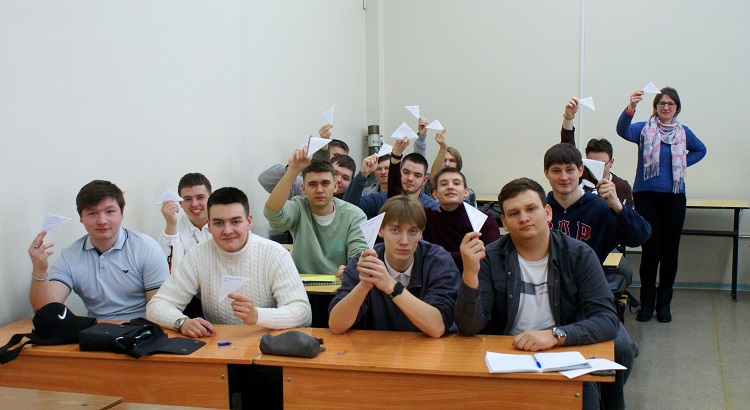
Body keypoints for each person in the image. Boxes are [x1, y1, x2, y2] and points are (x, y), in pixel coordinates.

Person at [455, 178, 623, 410]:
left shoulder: (579, 255)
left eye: (531, 209)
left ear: (547, 212)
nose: (524, 218)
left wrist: (556, 335)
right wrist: (470, 274)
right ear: (504, 222)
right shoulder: (489, 258)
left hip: (563, 353)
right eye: (514, 213)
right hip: (507, 357)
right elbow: (468, 327)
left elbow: (607, 320)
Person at [147, 187, 311, 335]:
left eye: (235, 222)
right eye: (219, 223)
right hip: (217, 347)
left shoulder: (275, 254)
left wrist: (257, 316)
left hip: (269, 347)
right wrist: (181, 322)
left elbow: (302, 313)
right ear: (209, 225)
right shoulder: (197, 255)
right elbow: (157, 305)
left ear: (249, 222)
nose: (227, 231)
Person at [616, 87, 707, 323]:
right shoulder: (644, 129)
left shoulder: (683, 133)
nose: (666, 107)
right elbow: (622, 130)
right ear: (656, 107)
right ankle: (647, 303)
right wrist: (631, 107)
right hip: (646, 197)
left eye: (670, 104)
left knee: (670, 251)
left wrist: (682, 162)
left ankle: (664, 304)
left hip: (674, 197)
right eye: (661, 103)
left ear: (677, 108)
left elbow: (701, 150)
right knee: (651, 250)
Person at [28, 180, 169, 320]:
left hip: (142, 328)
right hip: (96, 330)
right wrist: (39, 270)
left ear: (122, 213)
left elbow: (158, 309)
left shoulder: (147, 249)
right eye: (92, 213)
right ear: (81, 218)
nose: (102, 221)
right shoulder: (70, 256)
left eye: (110, 212)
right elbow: (46, 312)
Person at [328, 195, 459, 338]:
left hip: (431, 348)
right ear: (381, 230)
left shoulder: (438, 262)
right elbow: (336, 325)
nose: (404, 241)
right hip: (377, 348)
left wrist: (391, 285)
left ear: (421, 233)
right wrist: (364, 286)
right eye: (395, 230)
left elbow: (437, 327)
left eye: (412, 231)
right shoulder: (364, 263)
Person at [264, 148, 368, 275]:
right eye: (313, 184)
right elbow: (272, 214)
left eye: (325, 183)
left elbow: (359, 253)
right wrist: (292, 171)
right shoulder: (298, 207)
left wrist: (351, 269)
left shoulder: (355, 215)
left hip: (340, 284)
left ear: (335, 186)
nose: (319, 190)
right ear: (303, 188)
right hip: (300, 284)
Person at [390, 160, 501, 270]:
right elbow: (397, 201)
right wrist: (395, 158)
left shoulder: (483, 220)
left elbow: (492, 256)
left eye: (456, 183)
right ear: (435, 194)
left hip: (476, 276)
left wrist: (448, 256)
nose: (450, 187)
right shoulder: (428, 217)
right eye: (444, 184)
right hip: (436, 276)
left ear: (466, 192)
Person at [561, 97, 634, 206]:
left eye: (602, 164)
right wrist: (568, 117)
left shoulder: (622, 186)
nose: (597, 168)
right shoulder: (578, 176)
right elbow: (567, 149)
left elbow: (629, 215)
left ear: (611, 162)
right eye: (592, 163)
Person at [346, 138, 439, 219]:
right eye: (406, 172)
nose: (410, 178)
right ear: (398, 173)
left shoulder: (431, 207)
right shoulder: (379, 199)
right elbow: (349, 210)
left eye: (417, 175)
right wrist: (363, 174)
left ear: (424, 180)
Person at [258, 124, 352, 199]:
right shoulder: (301, 180)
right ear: (304, 188)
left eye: (345, 178)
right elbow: (265, 181)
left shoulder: (351, 198)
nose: (338, 179)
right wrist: (291, 169)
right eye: (336, 156)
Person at [159, 172, 212, 268]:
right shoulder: (174, 231)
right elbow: (173, 269)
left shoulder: (225, 224)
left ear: (211, 199)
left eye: (200, 197)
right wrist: (171, 224)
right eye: (188, 199)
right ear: (180, 203)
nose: (194, 204)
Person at [427, 129, 477, 206]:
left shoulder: (469, 193)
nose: (447, 164)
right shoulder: (428, 185)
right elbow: (434, 177)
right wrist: (443, 147)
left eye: (452, 161)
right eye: (444, 160)